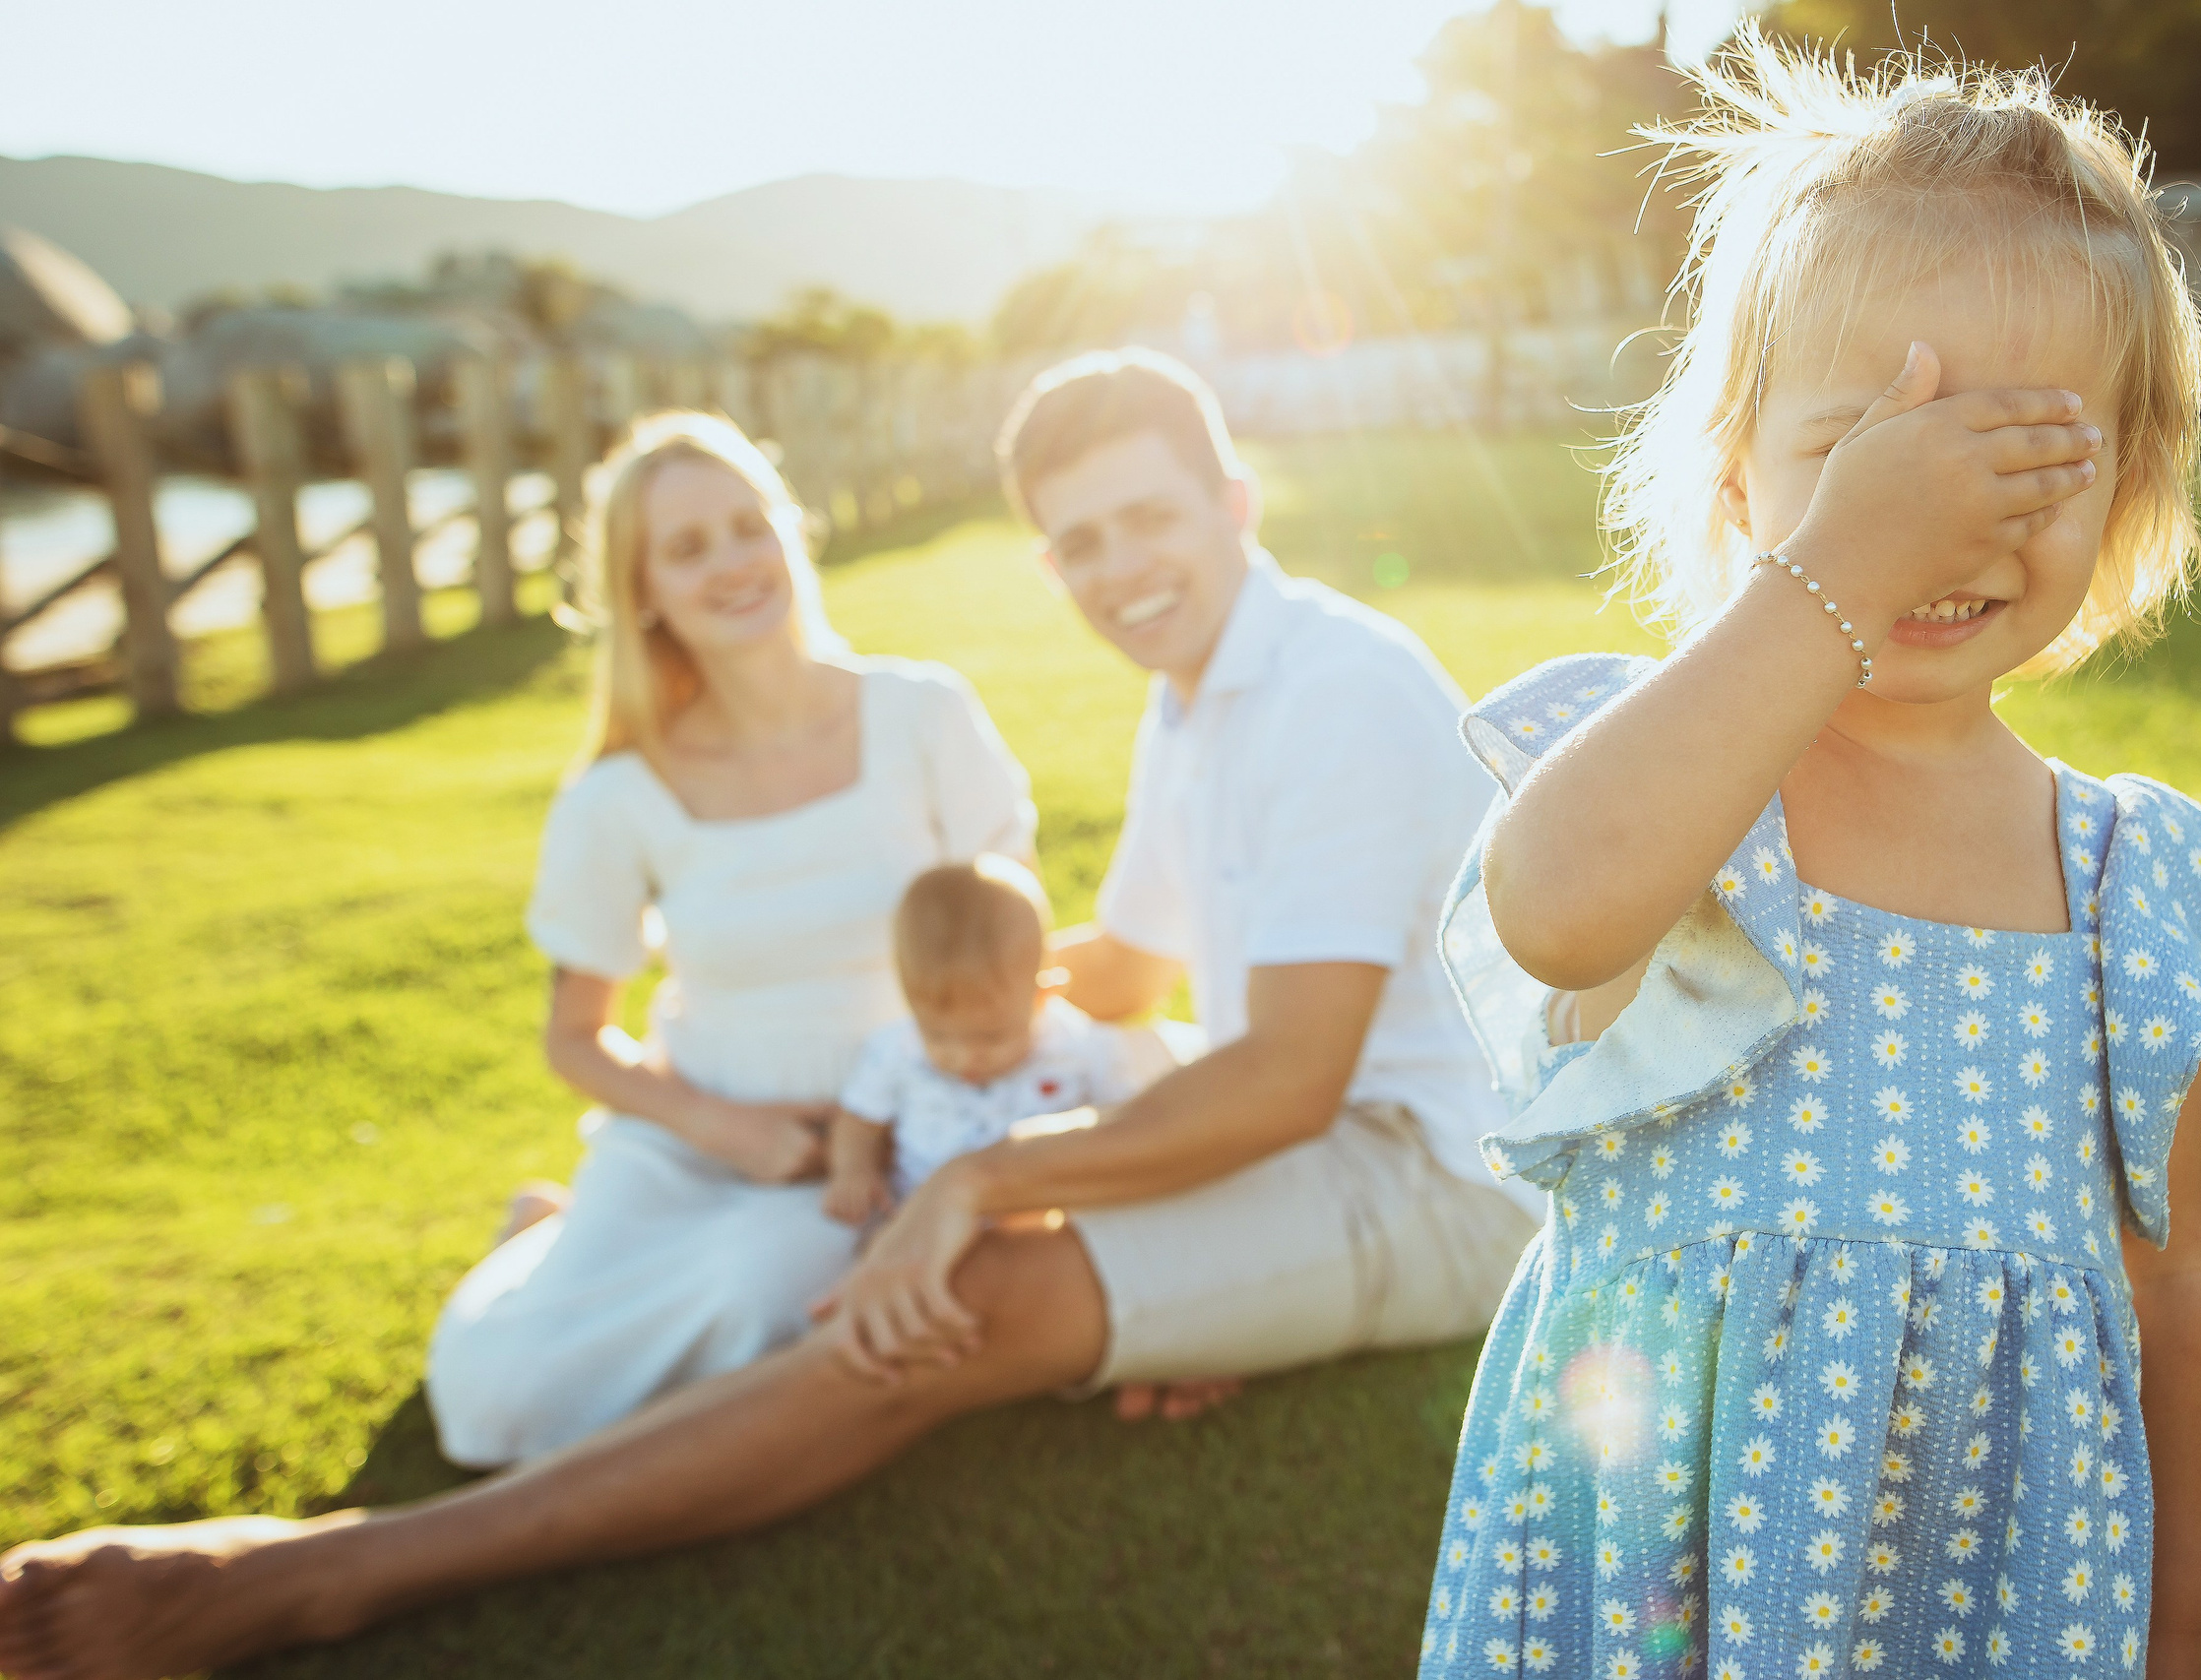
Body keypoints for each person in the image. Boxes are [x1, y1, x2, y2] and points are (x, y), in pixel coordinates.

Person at [0, 349, 1539, 1680]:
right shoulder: (1197, 687)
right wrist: (939, 1057)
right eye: (1080, 540)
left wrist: (995, 1179)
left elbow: (1283, 1084)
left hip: (1438, 1177)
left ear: (1235, 503)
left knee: (960, 1295)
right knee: (968, 1254)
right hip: (1315, 1126)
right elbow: (1128, 971)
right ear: (1048, 566)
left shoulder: (1330, 683)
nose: (1122, 564)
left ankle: (313, 1572)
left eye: (1151, 514)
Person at [1414, 33, 2201, 1680]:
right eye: (1868, 458)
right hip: (1658, 1559)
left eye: (2017, 459)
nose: (1936, 526)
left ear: (2133, 487)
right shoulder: (1678, 776)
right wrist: (1829, 575)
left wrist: (2174, 1630)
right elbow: (1554, 911)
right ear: (1740, 480)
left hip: (1990, 1586)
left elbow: (2176, 1284)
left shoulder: (2123, 876)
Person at [421, 409, 1036, 1469]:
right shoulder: (617, 797)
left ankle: (602, 1270)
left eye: (748, 527)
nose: (733, 563)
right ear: (643, 592)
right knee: (490, 1413)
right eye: (687, 548)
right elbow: (576, 1040)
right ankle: (544, 1242)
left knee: (774, 1290)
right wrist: (724, 1129)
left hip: (893, 1151)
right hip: (693, 1142)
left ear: (790, 533)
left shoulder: (924, 714)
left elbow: (1016, 953)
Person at [818, 854, 1163, 1229]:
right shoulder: (895, 1051)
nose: (965, 1056)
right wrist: (854, 1171)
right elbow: (858, 1121)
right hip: (919, 1220)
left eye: (993, 1037)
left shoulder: (1082, 1050)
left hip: (1041, 1222)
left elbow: (1125, 1125)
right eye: (938, 1035)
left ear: (1044, 996)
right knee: (875, 1252)